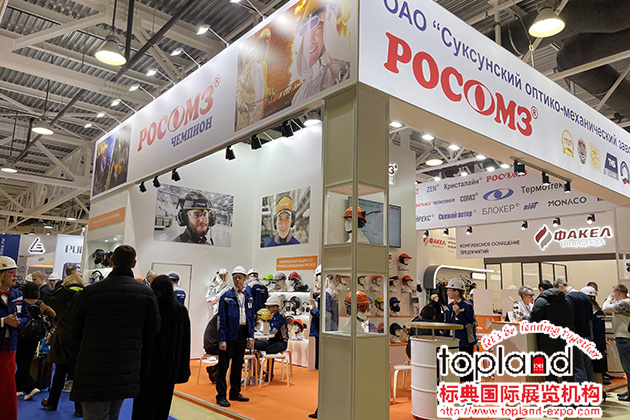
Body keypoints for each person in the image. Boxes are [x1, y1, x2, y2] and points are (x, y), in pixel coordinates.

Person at [70, 245, 160, 419]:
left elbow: (74, 329)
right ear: (133, 264)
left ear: (111, 261)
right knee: (113, 415)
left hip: (93, 368)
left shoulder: (91, 292)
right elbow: (153, 330)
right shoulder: (146, 293)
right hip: (125, 368)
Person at [132, 275, 190, 420]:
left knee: (142, 406)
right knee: (163, 407)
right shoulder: (180, 311)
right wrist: (182, 370)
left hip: (147, 367)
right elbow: (185, 343)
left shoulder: (147, 309)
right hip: (169, 368)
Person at [291, 0, 351, 105]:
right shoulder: (301, 92)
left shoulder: (343, 70)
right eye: (307, 34)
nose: (311, 40)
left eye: (318, 29)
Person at [42, 273, 84, 415]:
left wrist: (60, 288)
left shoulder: (62, 295)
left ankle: (52, 402)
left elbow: (47, 298)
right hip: (80, 338)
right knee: (78, 376)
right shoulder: (86, 295)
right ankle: (79, 409)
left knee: (59, 373)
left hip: (63, 338)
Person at [215, 266, 255, 408]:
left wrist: (251, 336)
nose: (237, 280)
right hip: (229, 334)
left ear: (245, 279)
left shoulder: (249, 296)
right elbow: (221, 319)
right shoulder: (226, 296)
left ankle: (235, 392)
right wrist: (222, 339)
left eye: (240, 277)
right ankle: (221, 395)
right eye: (235, 277)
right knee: (223, 366)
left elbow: (250, 317)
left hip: (242, 334)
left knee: (238, 365)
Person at [0, 256, 30, 420]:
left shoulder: (18, 294)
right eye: (11, 272)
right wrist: (3, 321)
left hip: (10, 346)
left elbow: (26, 316)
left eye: (15, 272)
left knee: (8, 385)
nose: (15, 275)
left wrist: (19, 322)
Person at [15, 282, 55, 401]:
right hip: (35, 336)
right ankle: (17, 387)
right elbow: (53, 314)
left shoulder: (20, 302)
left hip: (21, 335)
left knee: (21, 362)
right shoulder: (41, 304)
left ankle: (29, 387)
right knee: (27, 361)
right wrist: (44, 320)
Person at [530, 280, 575, 382]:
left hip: (548, 341)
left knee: (550, 371)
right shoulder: (565, 300)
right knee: (567, 371)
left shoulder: (541, 301)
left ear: (541, 289)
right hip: (565, 339)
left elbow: (535, 317)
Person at [554, 279, 594, 383]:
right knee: (588, 367)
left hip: (575, 336)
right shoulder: (585, 297)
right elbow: (590, 318)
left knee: (578, 367)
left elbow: (567, 319)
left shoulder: (568, 298)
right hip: (587, 336)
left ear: (560, 286)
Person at [443, 278, 477, 382]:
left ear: (456, 292)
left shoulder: (467, 306)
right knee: (454, 365)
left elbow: (469, 324)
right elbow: (447, 324)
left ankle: (469, 386)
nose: (447, 292)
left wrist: (459, 314)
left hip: (465, 341)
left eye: (449, 290)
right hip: (452, 341)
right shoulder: (449, 306)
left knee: (465, 365)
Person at [602, 284, 630, 401]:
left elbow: (605, 308)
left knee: (627, 368)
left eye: (614, 293)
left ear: (617, 292)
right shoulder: (625, 303)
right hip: (624, 337)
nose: (613, 295)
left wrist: (609, 299)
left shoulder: (625, 302)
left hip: (624, 338)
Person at [254, 296, 289, 382]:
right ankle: (257, 370)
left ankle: (269, 374)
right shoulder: (270, 315)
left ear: (275, 307)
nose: (267, 308)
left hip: (281, 342)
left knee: (270, 350)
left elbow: (273, 332)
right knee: (253, 345)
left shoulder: (280, 316)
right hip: (270, 341)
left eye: (269, 307)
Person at [203, 314, 220, 383]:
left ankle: (215, 369)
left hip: (210, 345)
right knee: (234, 353)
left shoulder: (218, 316)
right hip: (213, 346)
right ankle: (215, 369)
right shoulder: (221, 317)